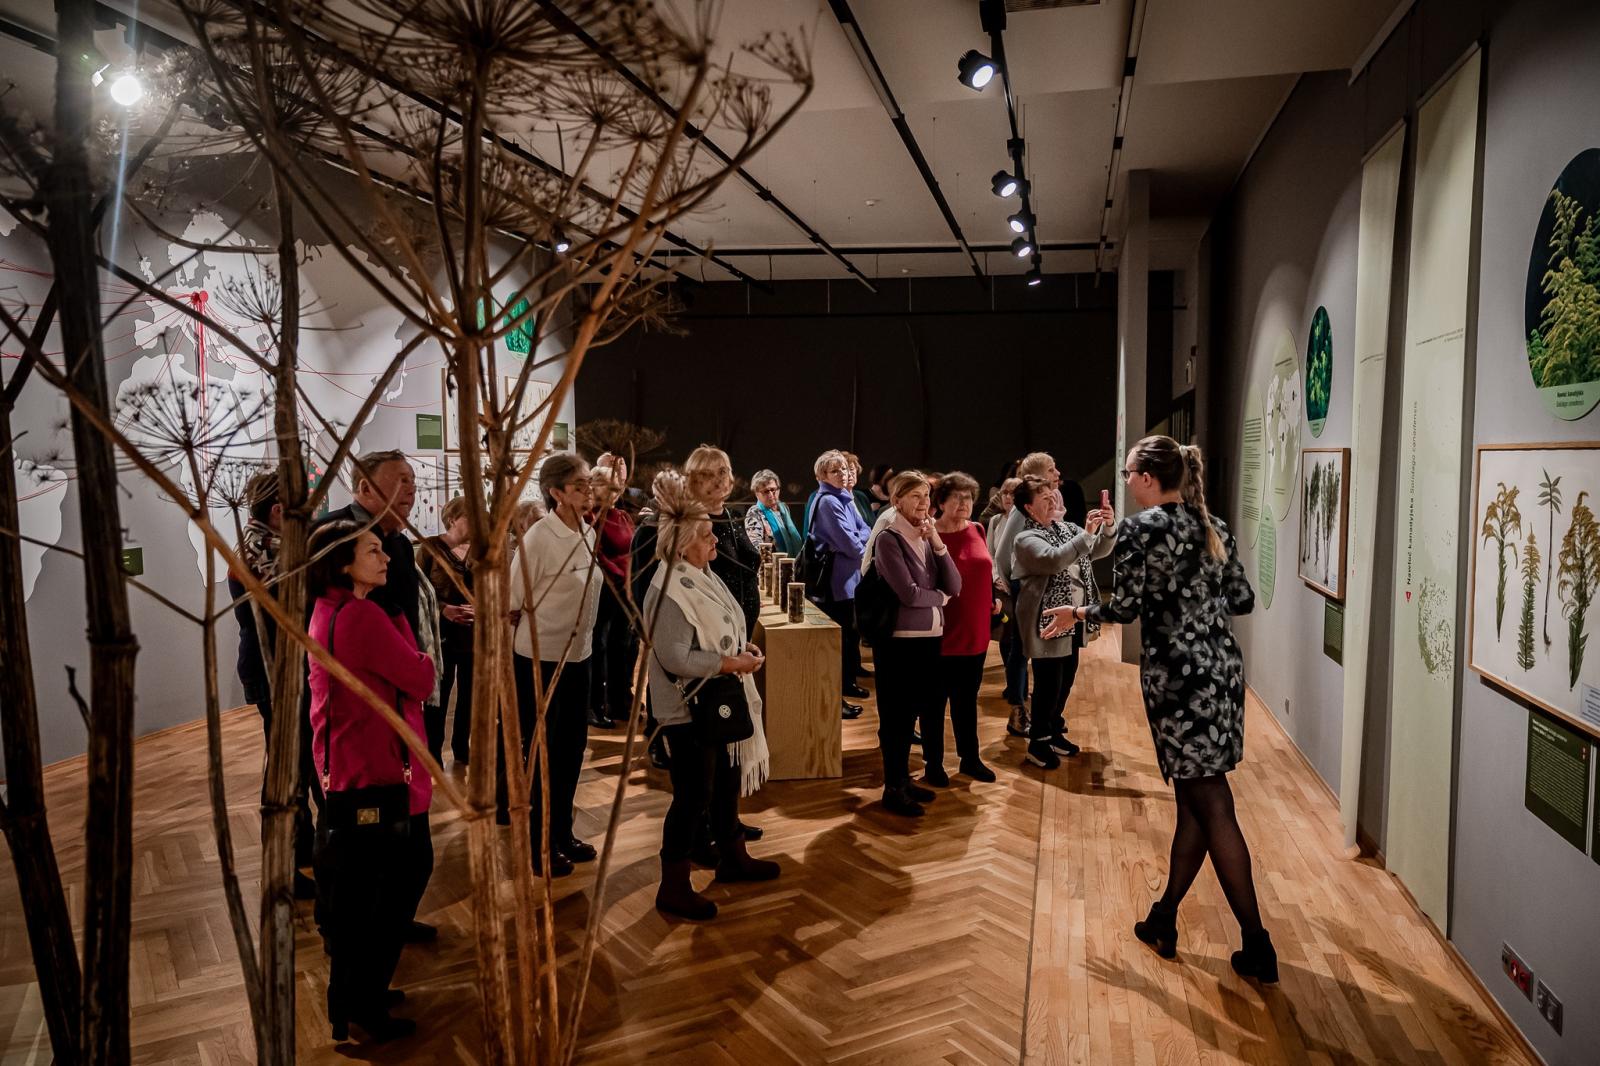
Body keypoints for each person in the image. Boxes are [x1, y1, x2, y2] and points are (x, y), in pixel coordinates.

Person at [1044, 436, 1274, 982]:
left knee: (1211, 802)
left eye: (1127, 474)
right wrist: (1197, 598)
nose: (1125, 483)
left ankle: (1258, 944)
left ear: (1149, 477)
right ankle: (1164, 917)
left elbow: (1125, 607)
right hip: (1221, 675)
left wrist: (1077, 611)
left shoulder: (1140, 530)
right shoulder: (1214, 527)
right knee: (1196, 801)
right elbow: (1241, 598)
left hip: (1177, 680)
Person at [306, 520, 435, 1043]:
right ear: (342, 563)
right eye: (373, 551)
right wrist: (402, 623)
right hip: (377, 770)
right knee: (391, 885)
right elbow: (422, 677)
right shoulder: (360, 616)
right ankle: (363, 1002)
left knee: (368, 890)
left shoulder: (331, 610)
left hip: (355, 766)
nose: (386, 559)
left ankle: (361, 993)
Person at [642, 473, 780, 920]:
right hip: (686, 710)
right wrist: (730, 664)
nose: (715, 543)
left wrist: (744, 649)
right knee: (691, 795)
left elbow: (726, 626)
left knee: (723, 783)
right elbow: (676, 656)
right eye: (706, 537)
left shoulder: (698, 576)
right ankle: (673, 886)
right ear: (682, 544)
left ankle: (732, 857)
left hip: (714, 701)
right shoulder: (669, 587)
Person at [507, 452, 602, 877]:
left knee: (571, 751)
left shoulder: (586, 531)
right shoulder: (539, 539)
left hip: (578, 656)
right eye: (579, 485)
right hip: (540, 659)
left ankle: (561, 832)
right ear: (556, 492)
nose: (588, 492)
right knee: (542, 756)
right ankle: (536, 844)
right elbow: (514, 602)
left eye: (588, 484)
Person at [228, 472, 317, 900]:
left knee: (296, 758)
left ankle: (303, 843)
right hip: (275, 672)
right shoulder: (260, 552)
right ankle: (282, 861)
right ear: (280, 512)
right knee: (286, 766)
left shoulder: (267, 547)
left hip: (283, 668)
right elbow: (277, 616)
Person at [871, 471, 961, 817]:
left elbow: (955, 585)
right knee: (896, 717)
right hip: (900, 642)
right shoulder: (889, 539)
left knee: (911, 716)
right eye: (915, 497)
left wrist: (937, 542)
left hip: (929, 638)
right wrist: (937, 597)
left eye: (926, 497)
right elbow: (907, 594)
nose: (923, 504)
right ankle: (893, 788)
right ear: (897, 501)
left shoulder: (924, 535)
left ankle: (905, 782)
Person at [1013, 478, 1115, 770]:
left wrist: (1107, 527)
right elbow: (1054, 560)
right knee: (1048, 683)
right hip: (1047, 620)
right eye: (1043, 497)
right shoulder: (1026, 538)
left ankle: (1053, 731)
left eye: (1052, 494)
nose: (1052, 499)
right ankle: (1038, 741)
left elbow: (1098, 550)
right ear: (1029, 508)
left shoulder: (1067, 529)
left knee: (1066, 678)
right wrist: (1088, 534)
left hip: (1073, 617)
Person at [930, 472, 998, 784]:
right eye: (956, 498)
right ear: (941, 502)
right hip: (941, 632)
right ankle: (933, 764)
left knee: (966, 701)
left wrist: (993, 599)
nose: (964, 503)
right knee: (933, 703)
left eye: (968, 498)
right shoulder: (929, 536)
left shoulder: (978, 529)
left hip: (976, 632)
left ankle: (970, 759)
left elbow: (984, 570)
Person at [990, 453, 1062, 736]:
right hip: (1027, 587)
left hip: (1049, 587)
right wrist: (1013, 584)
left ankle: (1045, 713)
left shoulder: (1056, 500)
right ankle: (1018, 707)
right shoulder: (1022, 508)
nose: (1057, 472)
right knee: (1021, 648)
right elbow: (1003, 551)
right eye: (1051, 469)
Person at [805, 449, 872, 717]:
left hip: (847, 581)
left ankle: (844, 687)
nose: (843, 474)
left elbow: (865, 528)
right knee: (837, 643)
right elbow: (854, 546)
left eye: (844, 469)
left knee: (847, 638)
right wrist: (860, 538)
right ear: (822, 475)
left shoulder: (845, 497)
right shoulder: (828, 502)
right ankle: (835, 699)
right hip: (834, 584)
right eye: (836, 470)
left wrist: (860, 537)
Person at [421, 496, 475, 765]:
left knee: (469, 696)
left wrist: (481, 608)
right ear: (453, 519)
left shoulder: (481, 549)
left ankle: (462, 748)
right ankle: (433, 752)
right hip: (440, 634)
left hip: (473, 635)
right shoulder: (431, 548)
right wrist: (444, 609)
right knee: (439, 695)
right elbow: (420, 590)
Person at [684, 445, 760, 635]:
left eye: (722, 472)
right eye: (708, 474)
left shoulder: (733, 516)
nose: (718, 480)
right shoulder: (692, 524)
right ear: (694, 481)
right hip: (714, 631)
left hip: (742, 627)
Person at [589, 460, 637, 729]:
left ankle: (619, 699)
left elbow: (631, 551)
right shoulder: (593, 519)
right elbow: (598, 556)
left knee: (625, 647)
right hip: (608, 592)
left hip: (627, 591)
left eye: (617, 486)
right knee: (602, 647)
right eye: (610, 487)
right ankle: (596, 705)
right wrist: (620, 578)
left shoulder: (622, 516)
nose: (617, 490)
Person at [986, 477, 1028, 737]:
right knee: (1006, 632)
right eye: (1005, 493)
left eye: (1013, 493)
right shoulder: (995, 521)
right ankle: (1013, 683)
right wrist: (995, 577)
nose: (1008, 498)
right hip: (1002, 585)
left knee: (1020, 639)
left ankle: (1019, 686)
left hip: (1019, 583)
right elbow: (991, 552)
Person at [743, 468, 802, 557]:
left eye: (773, 489)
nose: (771, 494)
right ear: (756, 493)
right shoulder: (754, 512)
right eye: (766, 491)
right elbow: (756, 547)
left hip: (793, 564)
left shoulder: (783, 508)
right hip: (772, 566)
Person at [842, 451, 875, 526]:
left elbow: (872, 524)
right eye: (844, 470)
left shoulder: (861, 496)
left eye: (851, 469)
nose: (849, 474)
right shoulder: (832, 499)